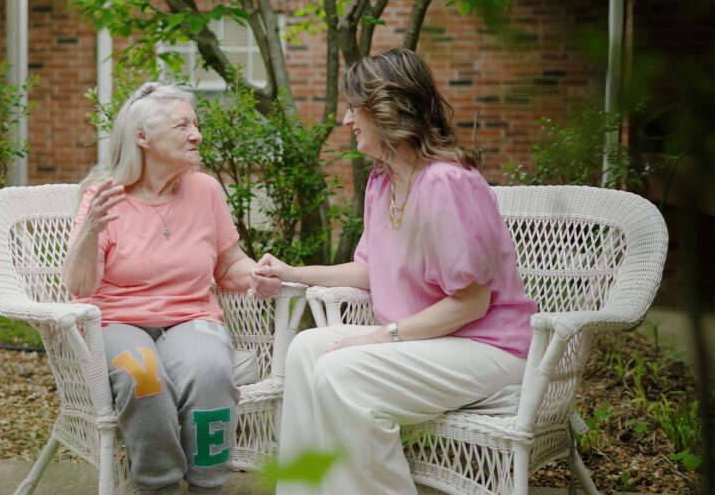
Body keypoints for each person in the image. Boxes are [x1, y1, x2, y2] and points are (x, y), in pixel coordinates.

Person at [250, 48, 537, 495]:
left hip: (488, 347)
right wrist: (295, 272)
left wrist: (380, 337)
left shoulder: (447, 183)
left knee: (342, 372)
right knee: (306, 348)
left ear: (386, 110)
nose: (346, 120)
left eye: (353, 108)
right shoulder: (382, 181)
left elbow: (473, 302)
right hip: (433, 343)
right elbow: (369, 268)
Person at [63, 82, 282, 495]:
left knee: (211, 371)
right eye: (183, 126)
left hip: (191, 316)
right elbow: (78, 285)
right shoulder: (105, 196)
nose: (196, 135)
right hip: (116, 320)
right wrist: (90, 231)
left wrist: (256, 274)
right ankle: (158, 485)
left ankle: (207, 485)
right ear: (142, 138)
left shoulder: (206, 190)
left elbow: (229, 263)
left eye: (195, 125)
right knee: (143, 374)